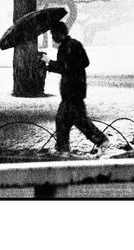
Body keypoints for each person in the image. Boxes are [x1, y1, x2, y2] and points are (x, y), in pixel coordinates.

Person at [45, 20, 108, 154]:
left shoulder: (66, 47)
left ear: (60, 33)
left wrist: (49, 62)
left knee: (74, 120)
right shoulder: (74, 44)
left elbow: (65, 68)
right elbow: (84, 62)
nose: (52, 37)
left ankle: (101, 141)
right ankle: (63, 147)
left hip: (71, 91)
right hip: (76, 90)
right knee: (64, 120)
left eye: (53, 34)